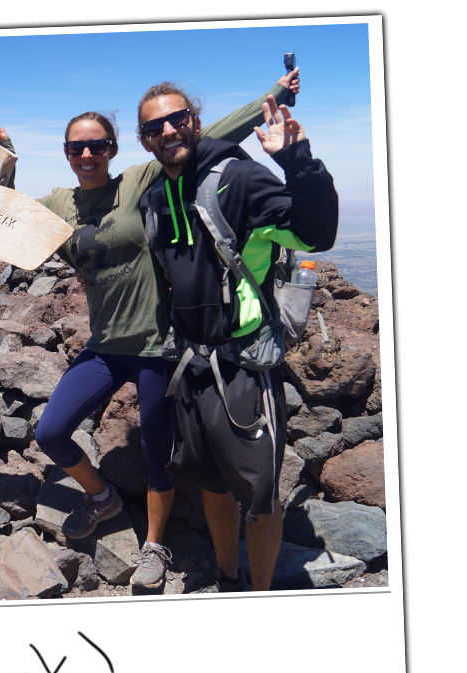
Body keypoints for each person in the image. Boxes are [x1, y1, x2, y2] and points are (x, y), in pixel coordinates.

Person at [0, 70, 300, 590]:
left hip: (158, 348)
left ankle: (154, 545)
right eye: (76, 148)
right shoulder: (61, 203)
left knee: (158, 457)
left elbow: (206, 132)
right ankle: (103, 499)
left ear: (111, 148)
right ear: (65, 153)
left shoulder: (139, 180)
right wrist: (7, 156)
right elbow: (12, 217)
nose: (88, 156)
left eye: (98, 146)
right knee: (50, 431)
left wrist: (275, 97)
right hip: (105, 346)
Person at [137, 87, 338, 592]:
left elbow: (317, 233)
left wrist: (298, 162)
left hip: (245, 366)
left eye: (177, 118)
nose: (167, 130)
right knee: (211, 481)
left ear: (195, 121)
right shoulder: (155, 199)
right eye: (153, 127)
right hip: (192, 367)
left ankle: (260, 594)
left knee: (261, 494)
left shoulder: (240, 178)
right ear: (144, 142)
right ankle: (229, 579)